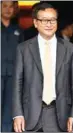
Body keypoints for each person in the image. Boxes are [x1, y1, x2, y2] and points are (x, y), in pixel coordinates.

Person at [12, 2, 73, 132]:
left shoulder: (70, 49)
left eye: (52, 20)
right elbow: (17, 83)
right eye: (44, 20)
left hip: (60, 115)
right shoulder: (23, 48)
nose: (49, 24)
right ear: (36, 23)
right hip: (29, 114)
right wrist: (17, 114)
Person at [1, 1, 24, 132]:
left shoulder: (18, 30)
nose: (8, 9)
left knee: (9, 109)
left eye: (11, 6)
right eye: (4, 6)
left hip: (13, 75)